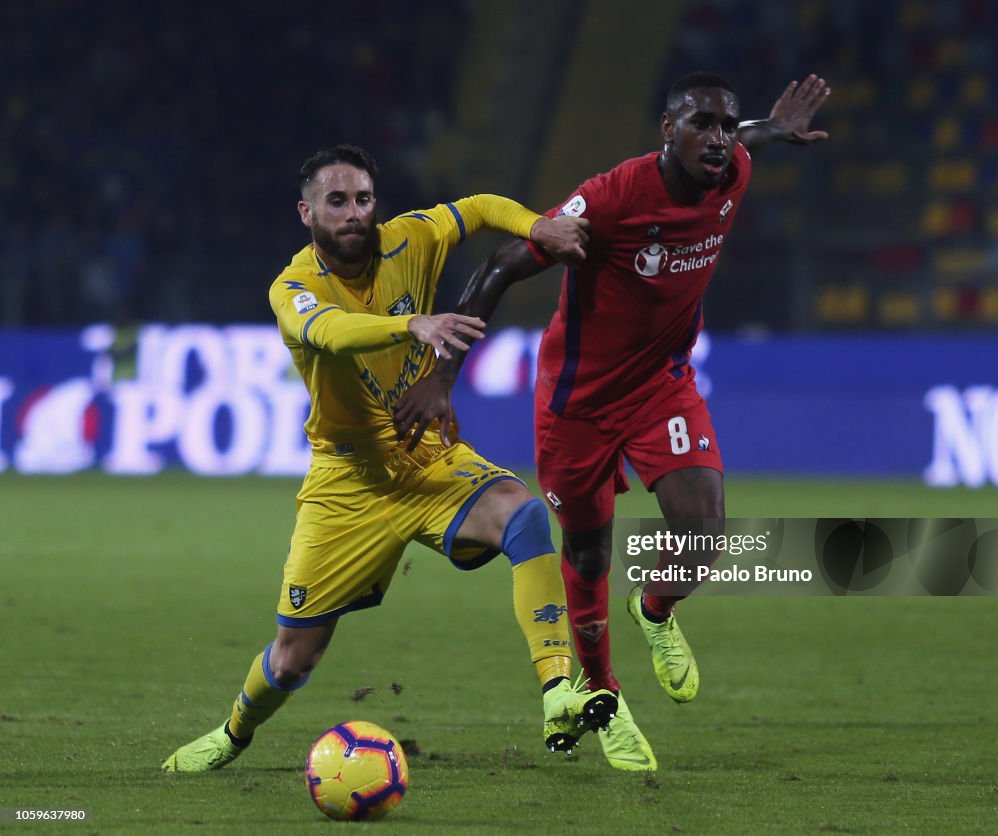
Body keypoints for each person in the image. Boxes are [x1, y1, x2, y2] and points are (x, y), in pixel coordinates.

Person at [392, 73, 831, 772]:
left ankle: (654, 610)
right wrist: (444, 377)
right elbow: (503, 264)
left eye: (727, 125)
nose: (718, 139)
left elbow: (742, 142)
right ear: (667, 130)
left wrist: (771, 129)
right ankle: (603, 693)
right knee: (590, 556)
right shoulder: (610, 198)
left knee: (705, 530)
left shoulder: (733, 169)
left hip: (662, 387)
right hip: (579, 405)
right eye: (702, 125)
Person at [162, 144, 614, 773]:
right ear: (307, 212)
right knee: (295, 658)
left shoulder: (411, 239)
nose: (354, 213)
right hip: (347, 482)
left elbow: (480, 208)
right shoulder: (294, 287)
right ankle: (233, 733)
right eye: (337, 201)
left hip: (424, 460)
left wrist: (536, 225)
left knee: (525, 516)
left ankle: (559, 686)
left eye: (364, 199)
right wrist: (413, 328)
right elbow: (331, 333)